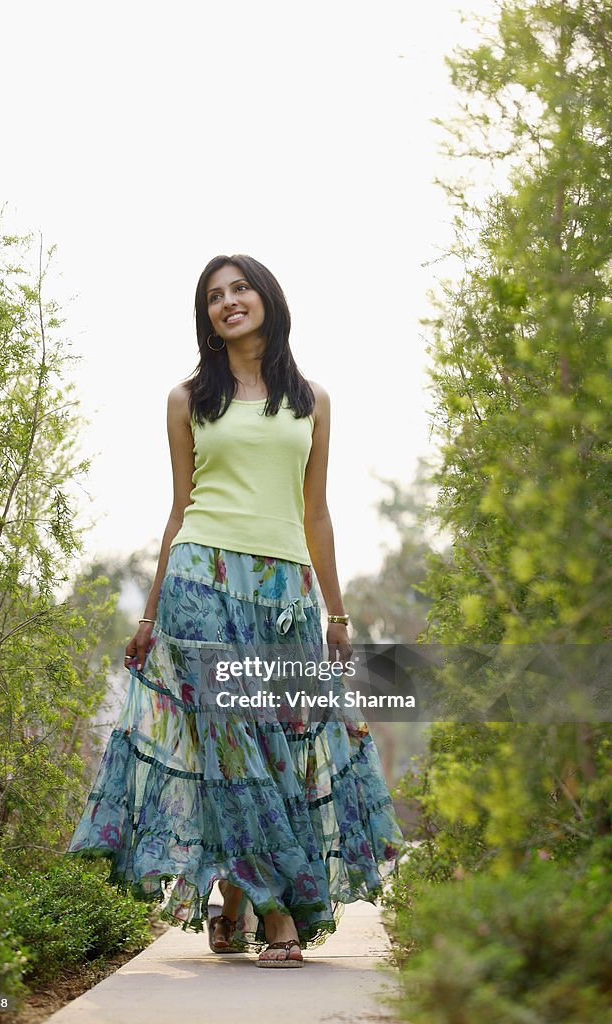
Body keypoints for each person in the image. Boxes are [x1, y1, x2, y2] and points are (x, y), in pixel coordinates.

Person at [66, 254, 404, 968]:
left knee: (275, 741)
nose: (228, 302)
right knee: (231, 744)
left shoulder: (311, 399)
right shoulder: (188, 398)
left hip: (283, 592)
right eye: (214, 297)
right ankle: (280, 914)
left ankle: (236, 896)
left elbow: (316, 513)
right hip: (200, 581)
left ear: (266, 299)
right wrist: (150, 616)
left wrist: (336, 617)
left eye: (239, 289)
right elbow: (177, 510)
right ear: (207, 319)